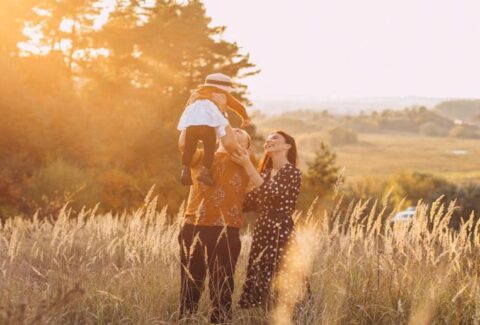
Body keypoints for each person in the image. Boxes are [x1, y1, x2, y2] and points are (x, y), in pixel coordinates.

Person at [177, 127, 254, 324]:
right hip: (194, 226)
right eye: (231, 130)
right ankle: (186, 320)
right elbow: (184, 145)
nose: (235, 131)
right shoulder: (202, 155)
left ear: (246, 147)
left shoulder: (247, 163)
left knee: (222, 287)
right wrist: (190, 121)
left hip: (227, 230)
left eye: (241, 136)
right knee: (190, 284)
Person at [230, 130, 303, 310]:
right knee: (260, 274)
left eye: (275, 138)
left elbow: (270, 192)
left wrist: (248, 166)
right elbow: (248, 202)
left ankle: (288, 317)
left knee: (282, 274)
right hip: (262, 231)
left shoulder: (291, 172)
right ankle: (262, 317)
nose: (269, 140)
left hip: (280, 231)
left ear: (287, 146)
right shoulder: (264, 174)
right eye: (268, 138)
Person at [177, 73, 250, 186]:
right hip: (207, 127)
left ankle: (184, 171)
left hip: (192, 126)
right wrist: (244, 117)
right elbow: (238, 106)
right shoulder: (223, 94)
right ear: (225, 88)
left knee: (189, 148)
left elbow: (188, 110)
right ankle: (205, 173)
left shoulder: (196, 94)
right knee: (209, 150)